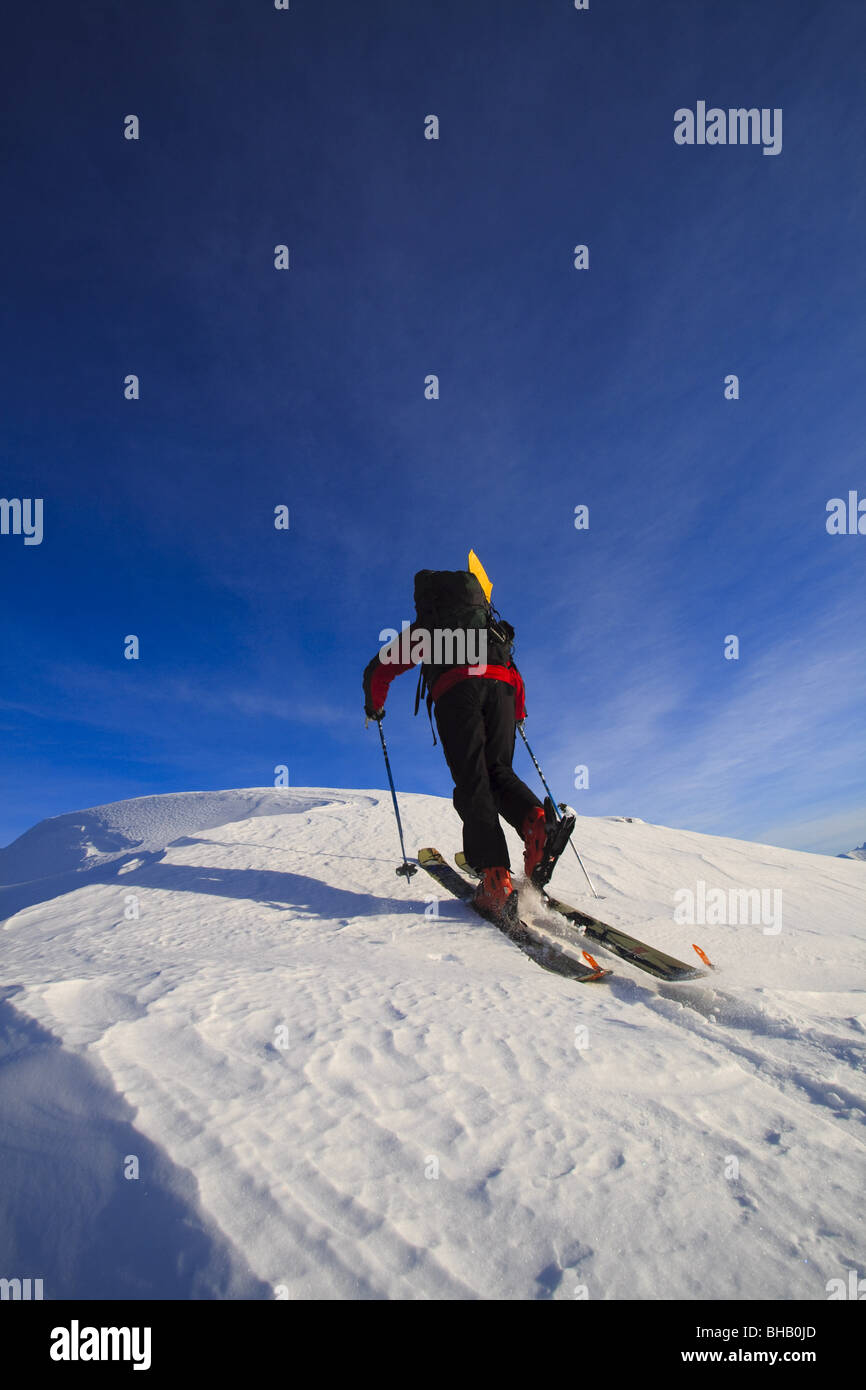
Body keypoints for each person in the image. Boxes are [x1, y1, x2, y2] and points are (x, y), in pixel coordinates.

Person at [362, 565, 550, 919]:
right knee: (499, 771)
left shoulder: (429, 627)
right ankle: (536, 821)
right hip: (503, 692)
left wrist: (375, 707)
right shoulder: (488, 626)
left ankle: (495, 879)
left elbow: (379, 669)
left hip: (457, 691)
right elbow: (514, 673)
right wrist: (518, 714)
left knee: (473, 778)